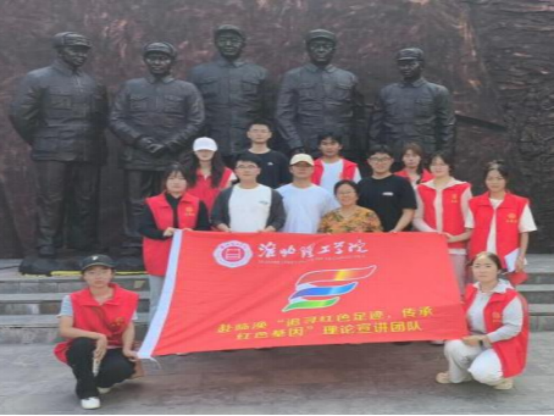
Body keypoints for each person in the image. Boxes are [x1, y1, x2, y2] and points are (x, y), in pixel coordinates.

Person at [9, 32, 108, 257]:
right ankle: (47, 244)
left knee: (85, 199)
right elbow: (20, 115)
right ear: (60, 51)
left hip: (88, 150)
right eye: (75, 50)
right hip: (51, 150)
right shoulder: (37, 78)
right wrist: (41, 140)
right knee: (51, 200)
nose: (81, 55)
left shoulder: (93, 83)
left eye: (84, 51)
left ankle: (83, 242)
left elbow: (101, 119)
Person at [110, 42, 204, 255]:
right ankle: (134, 243)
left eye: (163, 58)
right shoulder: (131, 87)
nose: (157, 62)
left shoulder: (187, 89)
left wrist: (171, 143)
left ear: (172, 61)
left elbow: (196, 120)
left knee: (171, 200)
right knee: (135, 202)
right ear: (145, 60)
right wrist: (139, 140)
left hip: (172, 156)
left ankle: (170, 242)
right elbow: (115, 118)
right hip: (137, 154)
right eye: (152, 58)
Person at [54, 255, 139, 410]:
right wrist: (98, 336)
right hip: (85, 347)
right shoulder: (72, 299)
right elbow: (65, 330)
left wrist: (127, 349)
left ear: (112, 274)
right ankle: (87, 393)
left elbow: (128, 326)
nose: (98, 276)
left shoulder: (128, 297)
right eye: (91, 272)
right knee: (81, 344)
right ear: (84, 276)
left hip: (114, 347)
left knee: (122, 369)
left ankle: (101, 382)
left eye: (103, 271)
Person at [437, 252, 529, 390]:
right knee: (453, 345)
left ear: (498, 270)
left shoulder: (509, 296)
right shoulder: (471, 290)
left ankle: (502, 376)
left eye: (488, 266)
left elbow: (513, 328)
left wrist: (483, 339)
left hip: (501, 344)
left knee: (483, 374)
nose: (482, 270)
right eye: (477, 266)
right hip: (475, 338)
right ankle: (462, 375)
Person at [276, 29, 366, 159]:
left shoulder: (348, 78)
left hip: (342, 146)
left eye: (326, 46)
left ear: (334, 50)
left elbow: (359, 118)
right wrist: (295, 144)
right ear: (308, 49)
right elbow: (283, 115)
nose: (321, 50)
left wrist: (359, 146)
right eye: (316, 46)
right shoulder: (293, 77)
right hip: (305, 146)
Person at [188, 25, 271, 165]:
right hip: (210, 144)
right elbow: (191, 111)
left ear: (243, 44)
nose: (228, 44)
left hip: (249, 144)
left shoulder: (259, 73)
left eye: (234, 40)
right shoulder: (199, 73)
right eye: (223, 40)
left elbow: (268, 111)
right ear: (216, 43)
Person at [138, 164, 210, 322]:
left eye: (181, 178)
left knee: (187, 300)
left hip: (188, 259)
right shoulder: (152, 203)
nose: (176, 182)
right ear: (165, 181)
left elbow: (205, 228)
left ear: (188, 182)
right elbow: (143, 228)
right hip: (159, 257)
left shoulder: (197, 203)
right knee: (158, 300)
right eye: (171, 178)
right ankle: (155, 334)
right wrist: (162, 233)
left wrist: (193, 233)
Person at [369, 48, 455, 165]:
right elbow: (375, 127)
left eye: (411, 64)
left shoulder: (438, 92)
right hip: (394, 154)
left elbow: (447, 126)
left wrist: (443, 154)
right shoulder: (386, 92)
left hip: (425, 154)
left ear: (422, 65)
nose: (406, 68)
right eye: (402, 64)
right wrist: (375, 152)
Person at [413, 151, 472, 294]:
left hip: (456, 247)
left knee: (457, 288)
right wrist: (433, 234)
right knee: (432, 288)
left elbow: (470, 223)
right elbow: (417, 218)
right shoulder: (421, 188)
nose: (438, 167)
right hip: (431, 247)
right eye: (434, 164)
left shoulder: (462, 188)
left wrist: (453, 238)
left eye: (442, 164)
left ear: (449, 166)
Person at [466, 161, 537, 277]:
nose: (494, 182)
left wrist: (521, 257)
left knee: (506, 287)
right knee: (482, 287)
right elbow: (469, 232)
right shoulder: (474, 203)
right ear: (485, 180)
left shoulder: (519, 203)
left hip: (507, 258)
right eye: (490, 179)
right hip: (480, 259)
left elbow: (524, 232)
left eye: (499, 178)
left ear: (506, 180)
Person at [211, 153, 285, 232]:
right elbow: (216, 217)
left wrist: (267, 230)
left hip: (261, 238)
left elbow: (279, 218)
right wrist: (224, 228)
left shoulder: (271, 193)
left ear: (259, 171)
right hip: (233, 239)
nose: (246, 170)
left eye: (251, 166)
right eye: (241, 167)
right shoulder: (225, 194)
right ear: (235, 171)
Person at [358, 145, 417, 233]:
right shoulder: (362, 184)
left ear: (392, 161)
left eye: (384, 159)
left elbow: (409, 211)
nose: (380, 163)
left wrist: (396, 230)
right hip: (369, 235)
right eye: (375, 159)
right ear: (369, 161)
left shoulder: (402, 183)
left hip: (396, 234)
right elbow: (357, 211)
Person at [277, 154, 339, 233]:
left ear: (312, 169)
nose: (302, 168)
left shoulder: (324, 194)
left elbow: (331, 220)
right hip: (286, 239)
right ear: (291, 169)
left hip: (314, 239)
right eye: (298, 165)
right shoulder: (279, 193)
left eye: (307, 165)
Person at [183, 137, 236, 214]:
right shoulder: (185, 172)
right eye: (200, 150)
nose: (204, 153)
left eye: (208, 150)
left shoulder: (226, 173)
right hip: (190, 215)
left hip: (216, 217)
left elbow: (227, 198)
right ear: (195, 152)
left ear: (214, 152)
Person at [240, 120, 291, 188]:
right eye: (255, 131)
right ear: (248, 134)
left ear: (270, 134)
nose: (259, 134)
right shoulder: (239, 156)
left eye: (263, 131)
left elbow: (286, 182)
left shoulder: (279, 158)